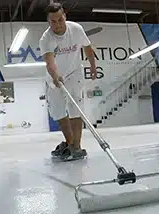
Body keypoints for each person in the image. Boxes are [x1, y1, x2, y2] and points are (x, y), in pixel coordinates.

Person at [39, 2, 97, 160]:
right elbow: (50, 63)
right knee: (58, 112)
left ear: (64, 16)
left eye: (60, 19)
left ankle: (76, 147)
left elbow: (88, 49)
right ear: (48, 21)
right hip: (54, 78)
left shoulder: (76, 29)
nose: (57, 24)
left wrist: (93, 67)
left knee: (75, 108)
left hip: (74, 73)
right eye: (53, 21)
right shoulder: (46, 39)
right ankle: (70, 142)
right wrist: (55, 76)